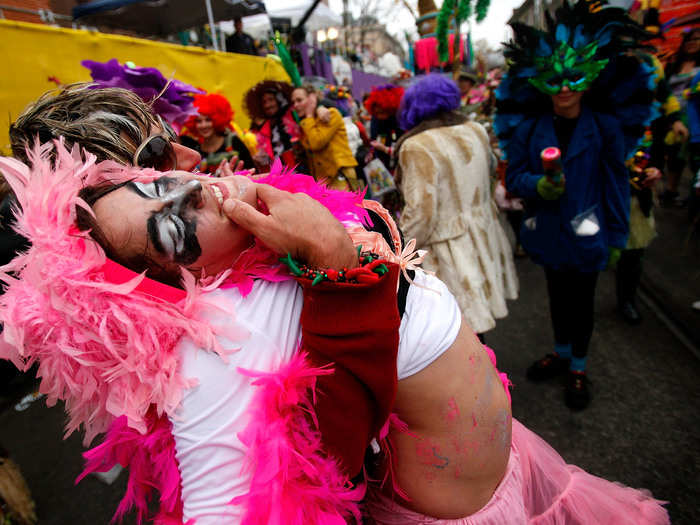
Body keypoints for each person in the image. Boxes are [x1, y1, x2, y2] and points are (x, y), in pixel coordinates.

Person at [3, 79, 670, 525]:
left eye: (161, 160)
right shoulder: (212, 345)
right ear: (135, 280)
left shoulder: (263, 231)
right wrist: (338, 271)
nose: (191, 180)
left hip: (515, 465)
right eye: (160, 216)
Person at [496, 0, 658, 410]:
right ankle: (562, 353)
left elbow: (616, 184)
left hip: (590, 234)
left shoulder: (604, 127)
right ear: (540, 79)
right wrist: (538, 185)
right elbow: (513, 178)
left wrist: (618, 235)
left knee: (582, 302)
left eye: (573, 77)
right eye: (555, 78)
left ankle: (579, 367)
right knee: (557, 296)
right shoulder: (530, 128)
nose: (565, 86)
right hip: (549, 232)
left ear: (589, 78)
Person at [395, 74, 518, 340]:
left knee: (457, 333)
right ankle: (491, 378)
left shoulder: (417, 146)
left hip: (447, 250)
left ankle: (480, 380)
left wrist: (398, 250)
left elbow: (421, 214)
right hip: (482, 235)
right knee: (476, 326)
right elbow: (488, 178)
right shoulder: (475, 130)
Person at [291, 84, 361, 191]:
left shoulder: (331, 114)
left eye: (299, 100)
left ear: (312, 98)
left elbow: (317, 142)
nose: (295, 105)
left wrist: (309, 115)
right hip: (323, 184)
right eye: (293, 102)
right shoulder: (305, 124)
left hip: (340, 179)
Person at [659, 27, 699, 206]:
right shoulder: (675, 63)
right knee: (674, 156)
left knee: (694, 156)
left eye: (697, 39)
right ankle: (671, 191)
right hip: (671, 114)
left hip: (695, 115)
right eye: (689, 40)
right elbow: (663, 87)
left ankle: (694, 195)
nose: (692, 43)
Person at [179, 93, 257, 174]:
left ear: (217, 120)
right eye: (199, 121)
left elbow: (252, 170)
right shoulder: (195, 149)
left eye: (208, 120)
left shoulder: (233, 142)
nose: (203, 125)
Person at [242, 80, 303, 170]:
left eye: (271, 100)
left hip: (304, 170)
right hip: (282, 176)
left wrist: (320, 109)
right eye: (264, 102)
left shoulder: (295, 115)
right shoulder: (263, 130)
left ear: (279, 100)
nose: (267, 105)